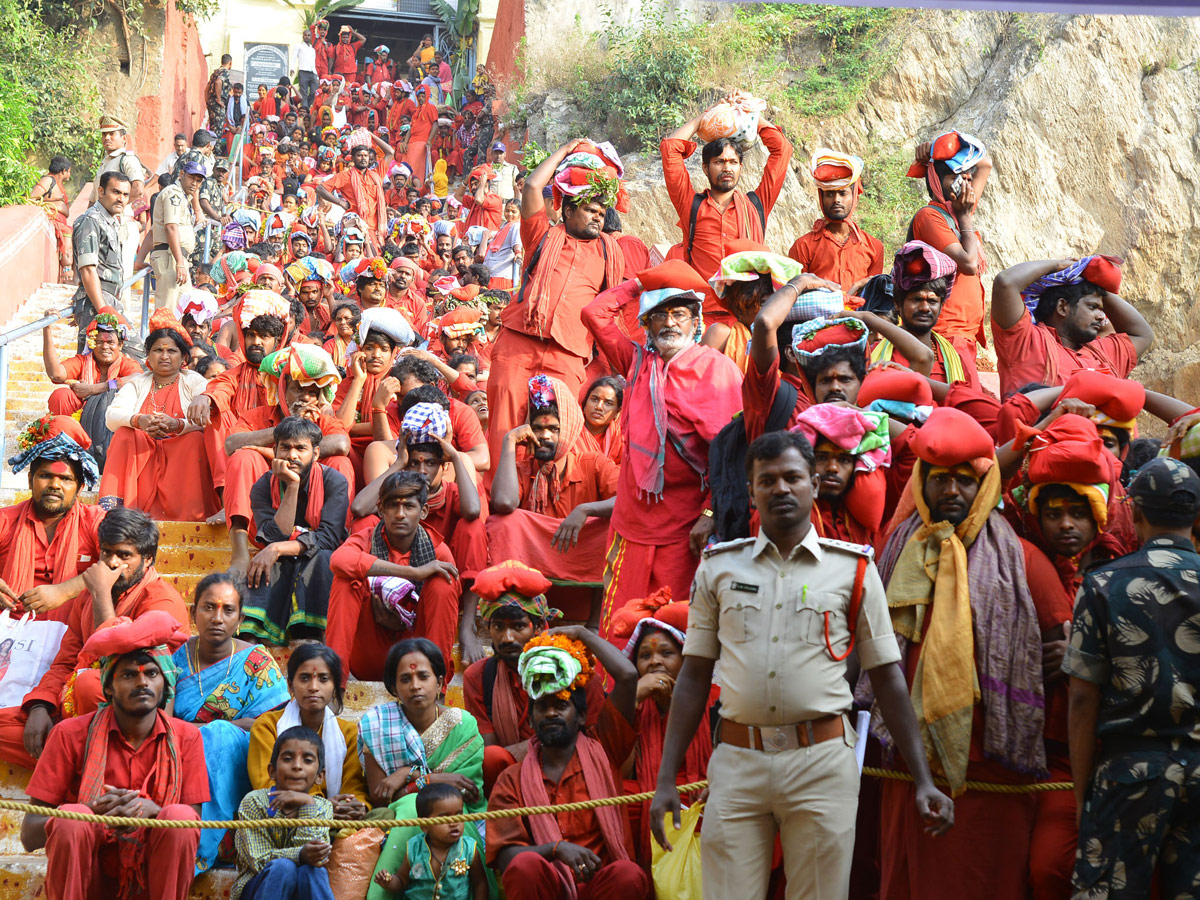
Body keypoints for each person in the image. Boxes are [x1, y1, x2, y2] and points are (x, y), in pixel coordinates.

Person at [648, 430, 952, 898]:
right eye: (766, 480)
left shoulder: (853, 569)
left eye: (792, 477)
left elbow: (888, 676)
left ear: (813, 482)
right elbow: (692, 675)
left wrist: (923, 779)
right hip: (738, 763)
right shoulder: (718, 569)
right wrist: (666, 778)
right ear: (751, 490)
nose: (780, 489)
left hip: (822, 763)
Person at [862, 407, 1049, 900]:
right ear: (920, 484)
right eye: (939, 479)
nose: (951, 492)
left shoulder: (1021, 558)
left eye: (965, 481)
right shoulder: (893, 550)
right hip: (907, 764)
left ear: (984, 487)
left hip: (990, 766)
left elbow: (1058, 640)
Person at [582, 261, 744, 637]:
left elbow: (732, 452)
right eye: (660, 315)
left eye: (680, 314)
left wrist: (710, 512)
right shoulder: (638, 363)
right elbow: (594, 312)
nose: (670, 323)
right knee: (621, 625)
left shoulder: (717, 370)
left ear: (695, 322)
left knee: (674, 628)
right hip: (632, 520)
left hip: (688, 522)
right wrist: (643, 283)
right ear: (648, 325)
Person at [1063, 457, 1200, 899]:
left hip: (1128, 773)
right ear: (1196, 517)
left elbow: (1082, 700)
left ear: (1135, 513)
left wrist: (1085, 796)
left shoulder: (1103, 584)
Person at [19, 611, 204, 900]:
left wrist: (155, 813)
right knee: (72, 816)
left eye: (152, 673)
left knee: (179, 817)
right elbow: (29, 836)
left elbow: (195, 826)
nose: (142, 683)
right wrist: (91, 813)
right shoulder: (69, 735)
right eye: (129, 674)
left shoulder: (187, 738)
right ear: (108, 687)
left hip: (153, 879)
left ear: (165, 684)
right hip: (86, 879)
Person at [486, 138, 626, 482]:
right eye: (588, 209)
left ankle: (545, 506)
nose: (597, 215)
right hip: (518, 345)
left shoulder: (610, 252)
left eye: (600, 211)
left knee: (556, 437)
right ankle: (497, 506)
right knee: (504, 429)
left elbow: (611, 314)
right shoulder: (543, 236)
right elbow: (533, 185)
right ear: (565, 210)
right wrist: (566, 150)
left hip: (568, 355)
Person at [487, 629, 649, 900]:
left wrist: (581, 633)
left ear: (583, 715)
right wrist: (556, 849)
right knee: (525, 866)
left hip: (602, 888)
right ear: (530, 720)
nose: (551, 712)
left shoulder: (606, 749)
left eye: (561, 705)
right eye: (542, 706)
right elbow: (506, 858)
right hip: (547, 887)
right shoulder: (511, 779)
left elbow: (628, 676)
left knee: (627, 874)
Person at [172, 572, 290, 875]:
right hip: (179, 756)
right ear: (193, 612)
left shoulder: (257, 662)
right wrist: (228, 725)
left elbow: (275, 727)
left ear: (240, 619)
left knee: (221, 734)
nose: (217, 618)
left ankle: (200, 849)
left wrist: (213, 730)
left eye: (228, 610)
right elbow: (160, 722)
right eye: (208, 607)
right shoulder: (173, 661)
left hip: (241, 761)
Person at [461, 562, 608, 789]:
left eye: (519, 627)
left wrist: (531, 747)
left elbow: (599, 739)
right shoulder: (478, 676)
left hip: (573, 769)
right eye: (498, 627)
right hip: (512, 777)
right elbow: (490, 751)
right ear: (488, 628)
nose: (507, 637)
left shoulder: (576, 671)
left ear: (538, 627)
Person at [362, 639, 487, 900]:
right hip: (399, 812)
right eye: (405, 679)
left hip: (455, 814)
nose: (415, 685)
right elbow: (381, 795)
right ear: (394, 688)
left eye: (423, 676)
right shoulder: (378, 726)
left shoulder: (462, 726)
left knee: (417, 807)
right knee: (409, 808)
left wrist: (405, 779)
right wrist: (423, 777)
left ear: (440, 683)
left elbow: (467, 794)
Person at [489, 375, 618, 616]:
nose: (545, 436)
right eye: (538, 428)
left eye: (553, 429)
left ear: (567, 430)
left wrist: (586, 510)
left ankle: (595, 623)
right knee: (502, 523)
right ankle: (517, 613)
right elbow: (504, 503)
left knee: (614, 525)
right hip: (537, 562)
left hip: (581, 555)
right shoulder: (523, 467)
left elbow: (629, 500)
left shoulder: (594, 463)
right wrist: (509, 441)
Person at [660, 97, 793, 324]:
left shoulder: (756, 204)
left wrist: (748, 113)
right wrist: (707, 115)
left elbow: (782, 149)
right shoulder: (691, 205)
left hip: (747, 316)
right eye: (719, 162)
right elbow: (670, 149)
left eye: (733, 162)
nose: (727, 168)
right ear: (705, 167)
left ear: (741, 167)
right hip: (702, 315)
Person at [607, 589, 711, 865]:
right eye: (645, 656)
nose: (654, 662)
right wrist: (634, 700)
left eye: (667, 653)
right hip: (650, 794)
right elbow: (618, 766)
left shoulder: (713, 699)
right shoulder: (631, 702)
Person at [326, 472, 461, 681]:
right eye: (393, 506)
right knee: (346, 579)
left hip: (416, 660)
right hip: (370, 653)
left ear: (423, 511)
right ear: (381, 509)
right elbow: (338, 560)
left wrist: (405, 620)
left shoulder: (438, 551)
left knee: (443, 582)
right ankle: (334, 685)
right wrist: (413, 573)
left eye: (408, 506)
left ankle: (436, 685)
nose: (400, 514)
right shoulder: (367, 539)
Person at [223, 345, 354, 558]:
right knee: (243, 457)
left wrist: (269, 451)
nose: (305, 398)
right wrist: (287, 428)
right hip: (266, 510)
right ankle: (239, 551)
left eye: (312, 392)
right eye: (297, 389)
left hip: (314, 517)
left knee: (341, 463)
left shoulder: (324, 420)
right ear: (283, 390)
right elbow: (231, 445)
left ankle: (338, 540)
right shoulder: (258, 416)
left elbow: (342, 445)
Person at [236, 417, 349, 644]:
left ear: (316, 453)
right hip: (285, 557)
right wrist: (293, 486)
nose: (292, 455)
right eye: (285, 447)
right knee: (266, 561)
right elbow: (273, 535)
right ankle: (257, 631)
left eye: (300, 448)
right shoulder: (262, 486)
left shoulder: (334, 481)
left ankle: (310, 632)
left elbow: (328, 538)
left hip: (319, 558)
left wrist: (278, 548)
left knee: (323, 557)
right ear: (275, 449)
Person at [99, 316, 219, 521]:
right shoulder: (138, 382)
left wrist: (178, 425)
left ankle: (190, 514)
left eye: (171, 351)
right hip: (143, 452)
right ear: (148, 356)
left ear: (183, 358)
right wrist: (139, 421)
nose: (164, 356)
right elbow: (112, 416)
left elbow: (208, 417)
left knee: (195, 440)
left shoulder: (193, 381)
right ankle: (114, 511)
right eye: (158, 350)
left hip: (180, 453)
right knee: (124, 435)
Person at [991, 256, 1154, 399]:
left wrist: (1097, 285)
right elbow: (1006, 283)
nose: (1101, 316)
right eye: (1092, 307)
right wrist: (1059, 265)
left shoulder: (1100, 352)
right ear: (1063, 307)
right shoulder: (1027, 341)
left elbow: (1143, 334)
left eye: (1101, 309)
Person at [188, 290, 290, 500]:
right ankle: (228, 498)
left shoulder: (291, 372)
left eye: (264, 336)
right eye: (251, 335)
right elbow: (220, 388)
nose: (256, 342)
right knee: (216, 413)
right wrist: (204, 397)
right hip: (239, 450)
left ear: (278, 340)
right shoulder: (236, 373)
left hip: (281, 449)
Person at [0, 416, 104, 621]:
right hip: (8, 633)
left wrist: (64, 591)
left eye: (66, 479)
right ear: (30, 481)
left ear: (80, 488)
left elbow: (122, 564)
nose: (55, 485)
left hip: (74, 636)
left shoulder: (95, 521)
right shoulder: (5, 519)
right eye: (45, 476)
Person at [247, 643, 369, 814]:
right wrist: (320, 807)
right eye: (304, 678)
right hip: (283, 816)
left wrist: (355, 805)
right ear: (290, 686)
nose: (313, 687)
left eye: (323, 679)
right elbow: (267, 786)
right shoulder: (267, 727)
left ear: (334, 687)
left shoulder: (349, 733)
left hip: (337, 818)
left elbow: (353, 786)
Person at [905, 130, 993, 346]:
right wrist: (964, 217)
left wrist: (940, 147)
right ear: (935, 178)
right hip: (943, 332)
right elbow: (969, 264)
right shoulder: (930, 216)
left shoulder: (958, 214)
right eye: (955, 176)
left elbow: (985, 164)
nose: (963, 184)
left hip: (964, 333)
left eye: (966, 177)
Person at [232, 725, 335, 900]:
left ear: (320, 776)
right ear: (272, 771)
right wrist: (300, 854)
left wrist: (308, 804)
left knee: (313, 871)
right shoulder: (255, 802)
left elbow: (315, 858)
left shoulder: (322, 807)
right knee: (283, 868)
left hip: (301, 889)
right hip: (258, 889)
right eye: (288, 759)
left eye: (308, 760)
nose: (297, 766)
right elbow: (260, 861)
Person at [870, 241, 981, 393]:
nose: (924, 308)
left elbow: (972, 404)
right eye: (916, 299)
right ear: (897, 304)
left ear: (941, 305)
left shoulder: (957, 354)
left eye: (932, 301)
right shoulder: (873, 354)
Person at [44, 307, 141, 465]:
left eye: (111, 342)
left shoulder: (126, 363)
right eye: (100, 342)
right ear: (92, 343)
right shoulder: (83, 361)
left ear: (121, 345)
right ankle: (64, 454)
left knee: (112, 398)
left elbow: (138, 378)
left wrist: (95, 389)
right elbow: (56, 374)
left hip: (110, 429)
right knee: (61, 395)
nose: (105, 347)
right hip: (81, 426)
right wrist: (47, 329)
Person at [792, 402, 892, 546]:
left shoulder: (863, 519)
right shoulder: (788, 510)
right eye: (821, 457)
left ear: (856, 466)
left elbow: (910, 448)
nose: (832, 468)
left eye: (844, 460)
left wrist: (849, 408)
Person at [788, 148, 884, 293]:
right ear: (822, 198)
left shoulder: (874, 247)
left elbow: (874, 299)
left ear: (854, 196)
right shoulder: (803, 246)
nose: (836, 200)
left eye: (842, 193)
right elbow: (795, 296)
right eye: (830, 194)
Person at [372, 782, 490, 900]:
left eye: (459, 815)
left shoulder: (469, 849)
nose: (454, 823)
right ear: (424, 825)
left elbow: (480, 883)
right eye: (445, 818)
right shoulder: (414, 848)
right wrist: (388, 882)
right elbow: (402, 881)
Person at [71, 171, 130, 346]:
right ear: (101, 191)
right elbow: (88, 270)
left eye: (125, 194)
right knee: (92, 363)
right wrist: (102, 309)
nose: (121, 199)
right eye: (116, 192)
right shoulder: (91, 220)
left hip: (109, 299)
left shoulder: (110, 221)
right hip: (97, 302)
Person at [90, 116, 144, 299]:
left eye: (112, 134)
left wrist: (114, 209)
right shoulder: (105, 162)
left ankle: (121, 323)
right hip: (100, 224)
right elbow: (94, 198)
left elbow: (138, 189)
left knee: (121, 276)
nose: (106, 138)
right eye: (104, 134)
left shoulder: (127, 160)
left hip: (120, 224)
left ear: (124, 138)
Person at [150, 162, 205, 312]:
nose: (194, 183)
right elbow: (171, 227)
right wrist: (179, 263)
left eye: (198, 180)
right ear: (181, 174)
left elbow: (155, 229)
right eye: (191, 178)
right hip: (171, 258)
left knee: (181, 311)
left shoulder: (183, 196)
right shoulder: (174, 193)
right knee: (167, 311)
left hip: (177, 258)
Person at [315, 144, 388, 245]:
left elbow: (390, 152)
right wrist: (340, 202)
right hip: (354, 227)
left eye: (366, 156)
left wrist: (370, 135)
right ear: (353, 158)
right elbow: (320, 189)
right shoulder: (345, 176)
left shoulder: (376, 174)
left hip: (375, 229)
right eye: (359, 156)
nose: (363, 158)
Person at [30, 155, 74, 280]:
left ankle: (69, 270)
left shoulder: (59, 184)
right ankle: (66, 269)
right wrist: (54, 203)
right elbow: (32, 198)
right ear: (63, 171)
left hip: (61, 221)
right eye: (69, 171)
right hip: (53, 220)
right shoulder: (48, 180)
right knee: (66, 233)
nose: (69, 174)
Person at [578, 375, 623, 465]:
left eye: (608, 403)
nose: (598, 407)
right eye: (594, 399)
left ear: (617, 411)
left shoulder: (621, 439)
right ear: (585, 403)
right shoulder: (572, 433)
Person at [296, 32, 319, 111]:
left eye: (309, 35)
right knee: (304, 92)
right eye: (305, 35)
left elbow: (313, 62)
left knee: (314, 92)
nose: (307, 37)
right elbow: (293, 58)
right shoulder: (299, 46)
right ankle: (305, 109)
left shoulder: (312, 50)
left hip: (312, 73)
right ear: (303, 36)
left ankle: (307, 107)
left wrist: (317, 75)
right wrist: (292, 68)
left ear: (311, 37)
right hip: (303, 71)